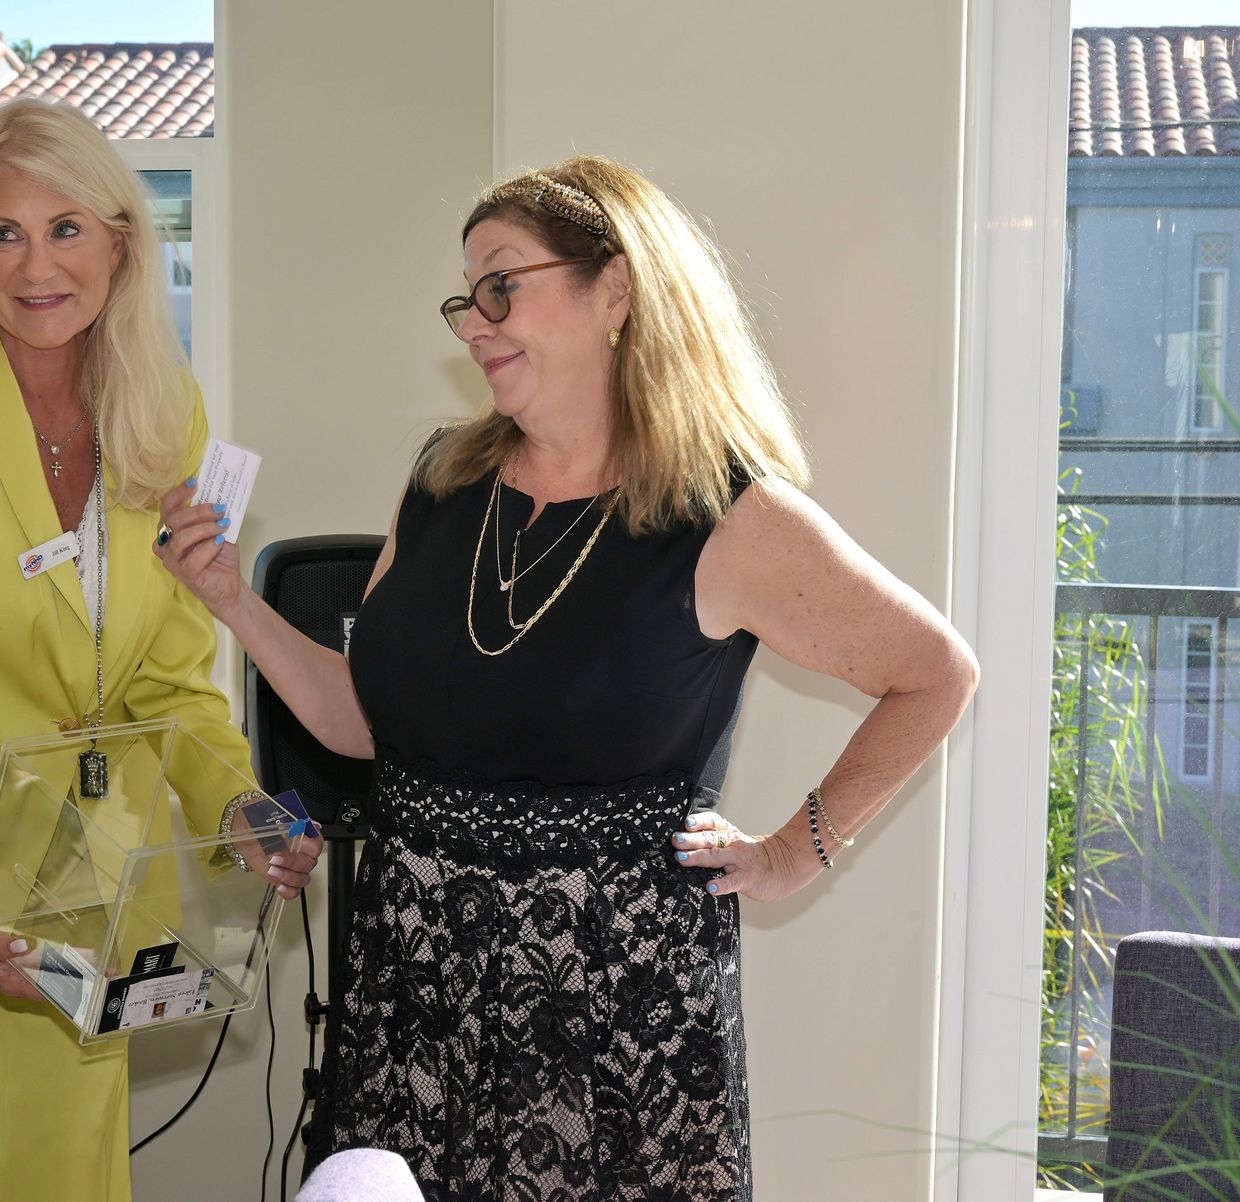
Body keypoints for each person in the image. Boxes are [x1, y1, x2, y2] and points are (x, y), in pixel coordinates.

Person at [153, 155, 979, 1201]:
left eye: (502, 285)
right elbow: (367, 721)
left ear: (616, 291)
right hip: (412, 981)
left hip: (611, 1016)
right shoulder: (442, 480)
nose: (475, 323)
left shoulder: (727, 515)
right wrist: (231, 598)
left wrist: (793, 851)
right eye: (467, 298)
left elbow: (935, 673)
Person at [0, 98, 322, 1202]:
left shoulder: (165, 415)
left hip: (82, 864)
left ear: (121, 244)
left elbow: (169, 678)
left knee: (74, 1180)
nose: (36, 265)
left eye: (66, 228)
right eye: (4, 232)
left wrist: (240, 806)